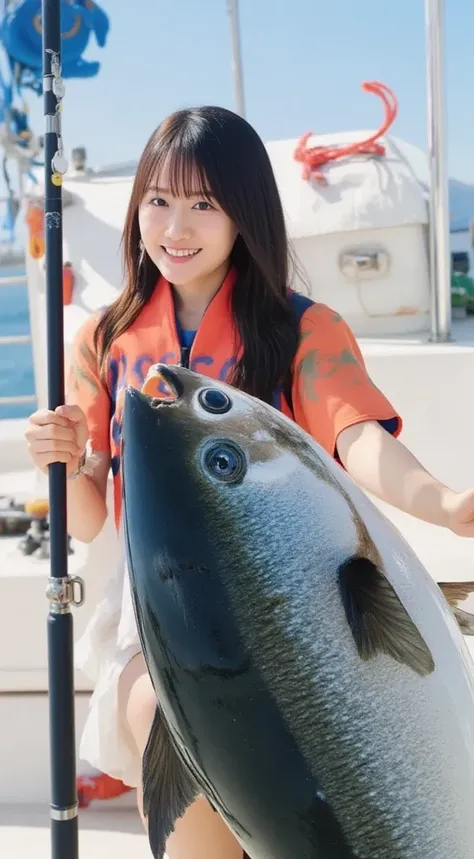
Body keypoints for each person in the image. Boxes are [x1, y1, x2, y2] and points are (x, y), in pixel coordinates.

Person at [25, 105, 474, 859]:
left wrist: (451, 506)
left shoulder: (304, 328)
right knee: (157, 709)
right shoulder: (102, 339)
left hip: (296, 590)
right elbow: (92, 521)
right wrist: (63, 458)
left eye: (205, 203)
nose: (176, 225)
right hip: (162, 600)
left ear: (246, 214)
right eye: (159, 200)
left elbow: (354, 435)